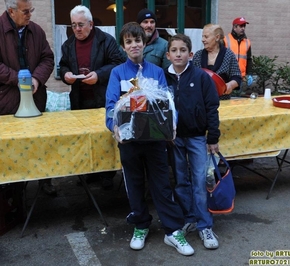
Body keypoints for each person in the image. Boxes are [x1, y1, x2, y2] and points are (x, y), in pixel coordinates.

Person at [105, 22, 194, 256]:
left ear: (144, 44)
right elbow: (111, 106)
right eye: (129, 42)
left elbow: (168, 103)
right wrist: (114, 127)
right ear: (123, 46)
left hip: (155, 140)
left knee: (162, 185)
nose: (134, 45)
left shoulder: (156, 73)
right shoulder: (118, 74)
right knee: (134, 185)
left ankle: (173, 230)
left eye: (138, 41)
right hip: (129, 141)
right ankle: (141, 225)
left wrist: (171, 125)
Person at [0, 0, 56, 195]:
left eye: (31, 10)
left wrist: (37, 78)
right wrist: (19, 80)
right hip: (6, 99)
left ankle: (44, 181)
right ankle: (12, 188)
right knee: (9, 146)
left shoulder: (36, 31)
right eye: (25, 11)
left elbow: (48, 58)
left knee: (39, 143)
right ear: (11, 11)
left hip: (35, 97)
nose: (30, 14)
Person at [164, 34, 221, 250]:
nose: (178, 54)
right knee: (180, 181)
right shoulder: (164, 77)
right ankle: (189, 218)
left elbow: (211, 107)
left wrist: (213, 136)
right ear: (168, 55)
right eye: (174, 50)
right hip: (174, 139)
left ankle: (205, 225)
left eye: (182, 50)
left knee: (199, 182)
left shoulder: (201, 77)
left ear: (190, 54)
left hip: (197, 137)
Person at [59, 5, 124, 190]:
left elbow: (117, 63)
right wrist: (65, 75)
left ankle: (107, 175)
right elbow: (62, 66)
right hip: (79, 99)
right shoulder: (68, 44)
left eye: (81, 25)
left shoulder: (106, 40)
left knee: (104, 137)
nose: (77, 29)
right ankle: (89, 172)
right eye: (73, 25)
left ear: (91, 24)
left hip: (102, 98)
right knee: (84, 139)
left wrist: (99, 75)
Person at [193, 24, 241, 100]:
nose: (203, 39)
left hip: (222, 100)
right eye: (202, 36)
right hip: (201, 100)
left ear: (217, 37)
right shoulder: (198, 55)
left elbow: (237, 77)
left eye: (206, 37)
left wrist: (230, 85)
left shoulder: (228, 55)